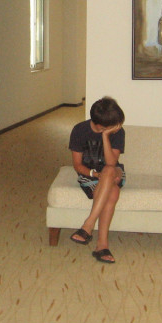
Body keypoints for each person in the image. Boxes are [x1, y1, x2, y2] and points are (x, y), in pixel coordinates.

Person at [68, 96, 126, 264]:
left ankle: (88, 225)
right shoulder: (79, 130)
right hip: (90, 176)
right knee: (113, 193)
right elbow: (77, 165)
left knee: (109, 170)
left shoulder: (117, 132)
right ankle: (102, 246)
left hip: (114, 173)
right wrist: (95, 174)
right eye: (112, 125)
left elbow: (111, 163)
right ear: (99, 124)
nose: (117, 126)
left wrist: (106, 136)